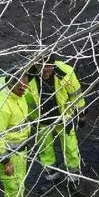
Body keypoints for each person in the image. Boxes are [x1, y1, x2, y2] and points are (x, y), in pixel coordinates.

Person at [25, 55, 85, 188]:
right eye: (42, 66)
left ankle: (73, 180)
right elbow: (24, 100)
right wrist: (29, 120)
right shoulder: (28, 77)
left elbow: (76, 94)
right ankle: (51, 177)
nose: (46, 70)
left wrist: (81, 113)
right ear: (36, 65)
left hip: (64, 118)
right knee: (45, 151)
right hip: (41, 120)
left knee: (70, 149)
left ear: (53, 64)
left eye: (49, 66)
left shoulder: (65, 72)